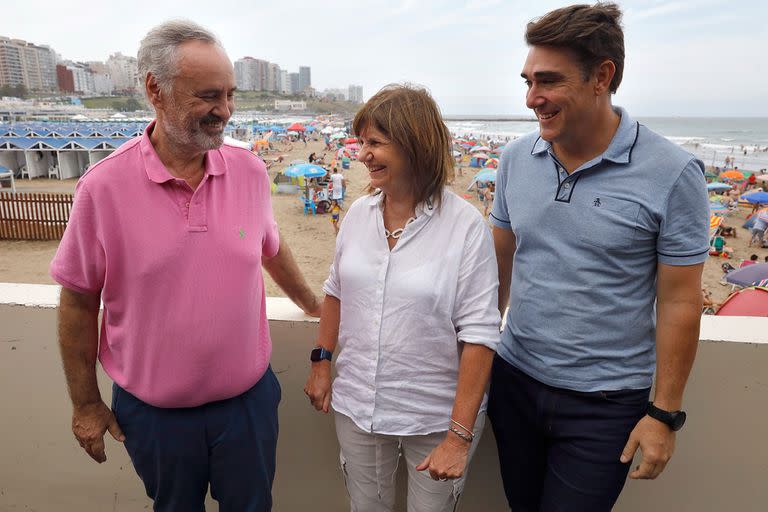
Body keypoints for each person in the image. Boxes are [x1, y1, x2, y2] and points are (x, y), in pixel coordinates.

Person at [50, 20, 321, 512]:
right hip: (155, 417)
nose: (225, 111)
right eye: (209, 95)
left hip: (248, 406)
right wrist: (86, 403)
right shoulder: (102, 187)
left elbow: (270, 247)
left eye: (231, 94)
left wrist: (311, 304)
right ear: (156, 88)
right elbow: (77, 301)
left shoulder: (250, 170)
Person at [488, 4, 710, 511]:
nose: (531, 99)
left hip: (605, 406)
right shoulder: (516, 159)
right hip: (515, 383)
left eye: (548, 81)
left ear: (602, 77)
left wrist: (664, 414)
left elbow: (680, 301)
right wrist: (476, 366)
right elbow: (498, 270)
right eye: (527, 81)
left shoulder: (673, 174)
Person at [304, 84, 500, 511]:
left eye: (375, 143)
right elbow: (335, 291)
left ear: (415, 145)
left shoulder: (465, 227)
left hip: (434, 417)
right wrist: (321, 362)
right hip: (357, 405)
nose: (362, 155)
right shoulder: (358, 215)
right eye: (361, 142)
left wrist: (458, 437)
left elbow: (481, 336)